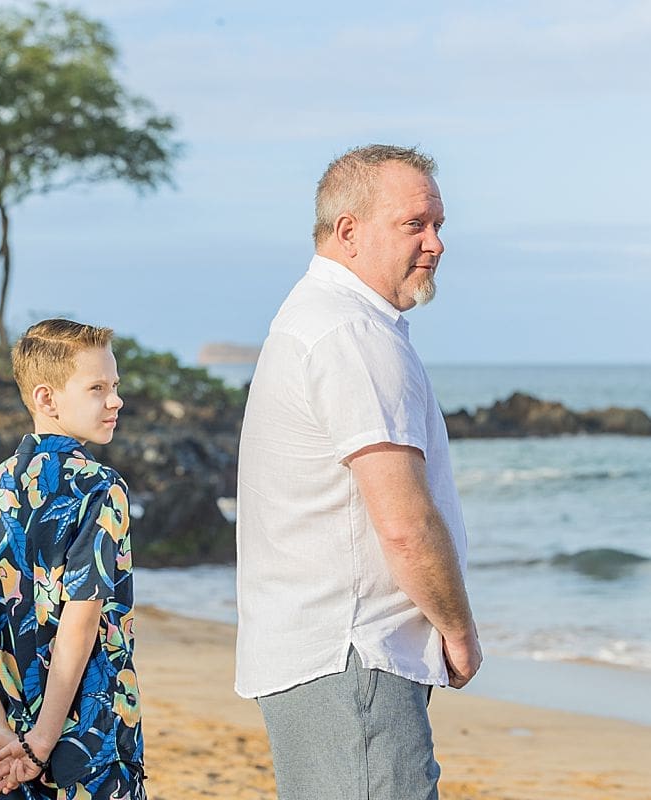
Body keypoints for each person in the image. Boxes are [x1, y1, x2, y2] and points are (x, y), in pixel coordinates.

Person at [235, 144, 482, 799]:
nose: (436, 244)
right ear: (349, 231)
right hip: (353, 656)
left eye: (439, 225)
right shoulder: (352, 334)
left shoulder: (323, 320)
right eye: (415, 224)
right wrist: (458, 631)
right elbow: (403, 522)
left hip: (325, 653)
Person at [0, 319, 144, 800]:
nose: (115, 400)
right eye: (97, 388)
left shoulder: (0, 484)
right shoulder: (102, 488)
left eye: (115, 386)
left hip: (13, 726)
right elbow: (81, 621)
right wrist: (45, 741)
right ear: (47, 399)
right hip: (87, 729)